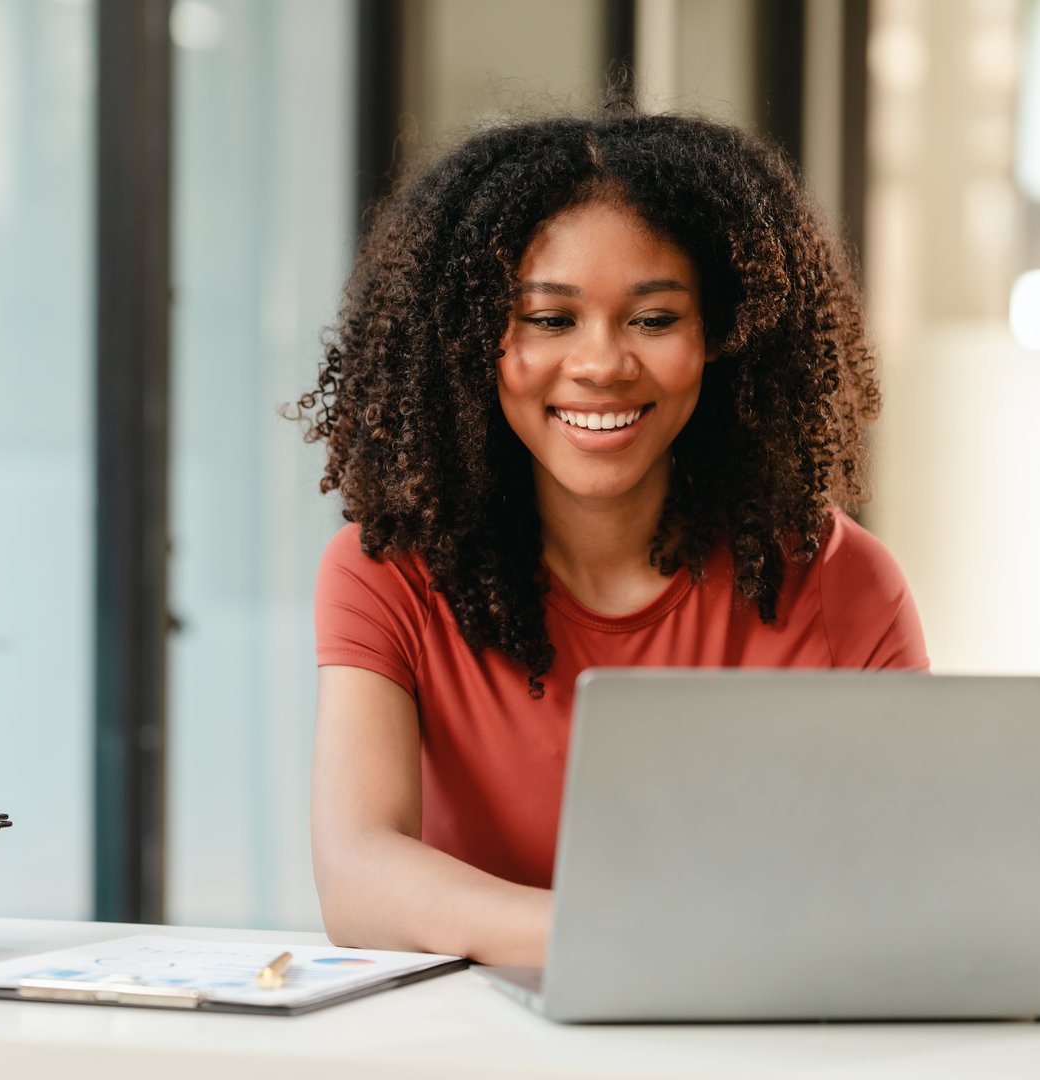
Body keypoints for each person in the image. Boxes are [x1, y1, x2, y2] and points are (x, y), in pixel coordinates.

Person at [293, 108, 929, 967]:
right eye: (550, 321)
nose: (601, 364)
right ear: (470, 339)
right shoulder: (390, 575)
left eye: (655, 319)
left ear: (723, 337)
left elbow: (914, 881)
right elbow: (359, 876)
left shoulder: (840, 581)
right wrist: (629, 938)